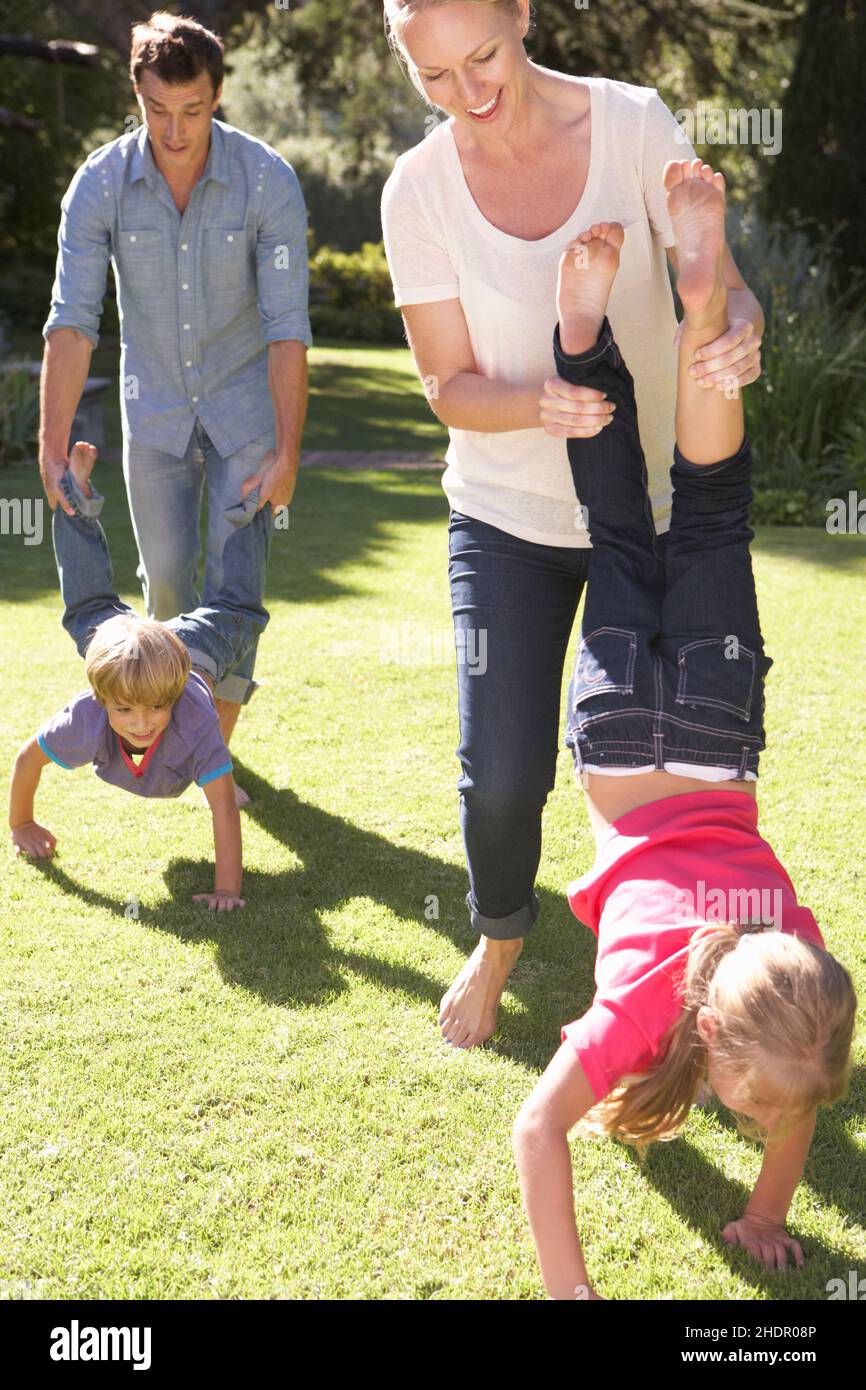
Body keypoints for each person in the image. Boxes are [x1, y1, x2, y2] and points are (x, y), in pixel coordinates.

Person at [380, 0, 765, 1047]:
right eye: (434, 79)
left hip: (653, 503)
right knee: (501, 773)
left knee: (692, 739)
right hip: (504, 512)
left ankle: (700, 945)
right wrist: (541, 401)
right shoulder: (415, 189)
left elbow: (738, 298)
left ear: (521, 15)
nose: (467, 94)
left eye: (483, 57)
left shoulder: (632, 124)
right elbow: (447, 386)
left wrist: (734, 332)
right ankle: (499, 937)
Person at [511, 160, 857, 1298]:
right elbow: (542, 1126)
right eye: (752, 1109)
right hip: (616, 738)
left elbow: (796, 1096)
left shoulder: (794, 959)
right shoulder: (643, 1008)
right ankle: (582, 331)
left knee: (709, 513)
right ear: (705, 1028)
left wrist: (762, 1205)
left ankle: (701, 306)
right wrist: (580, 1292)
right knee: (615, 528)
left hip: (712, 727)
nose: (763, 1122)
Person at [39, 11, 311, 798]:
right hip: (152, 411)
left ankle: (210, 764)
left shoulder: (267, 180)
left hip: (243, 411)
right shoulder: (99, 183)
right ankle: (193, 745)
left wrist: (287, 452)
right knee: (164, 590)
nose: (175, 128)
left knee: (238, 592)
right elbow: (72, 320)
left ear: (216, 96)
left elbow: (288, 327)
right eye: (158, 110)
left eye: (192, 111)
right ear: (138, 94)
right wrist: (53, 447)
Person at [8, 443, 271, 911]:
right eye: (125, 710)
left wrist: (227, 890)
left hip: (195, 649)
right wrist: (21, 824)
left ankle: (255, 503)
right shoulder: (90, 715)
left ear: (173, 698)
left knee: (241, 611)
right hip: (126, 649)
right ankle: (76, 495)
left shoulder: (192, 720)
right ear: (101, 697)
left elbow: (223, 806)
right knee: (87, 610)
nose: (141, 723)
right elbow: (29, 759)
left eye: (156, 707)